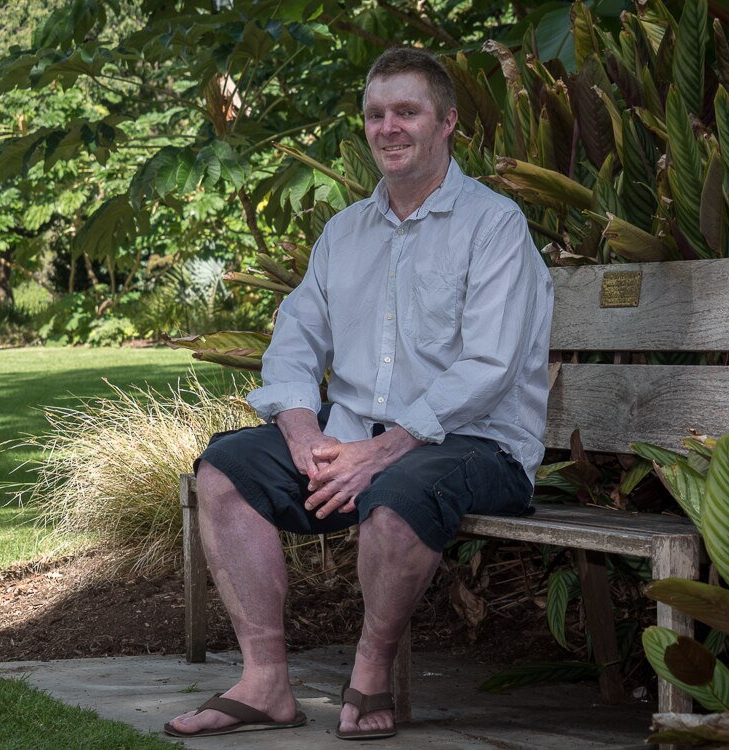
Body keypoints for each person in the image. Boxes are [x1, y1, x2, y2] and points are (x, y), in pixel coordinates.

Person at [164, 46, 554, 741]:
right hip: (351, 442)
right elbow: (294, 340)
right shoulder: (344, 233)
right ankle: (266, 682)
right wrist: (302, 435)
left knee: (397, 499)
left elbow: (489, 365)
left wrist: (384, 450)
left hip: (475, 445)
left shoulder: (493, 227)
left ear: (447, 123)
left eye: (407, 111)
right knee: (224, 472)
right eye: (376, 114)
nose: (389, 127)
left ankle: (370, 672)